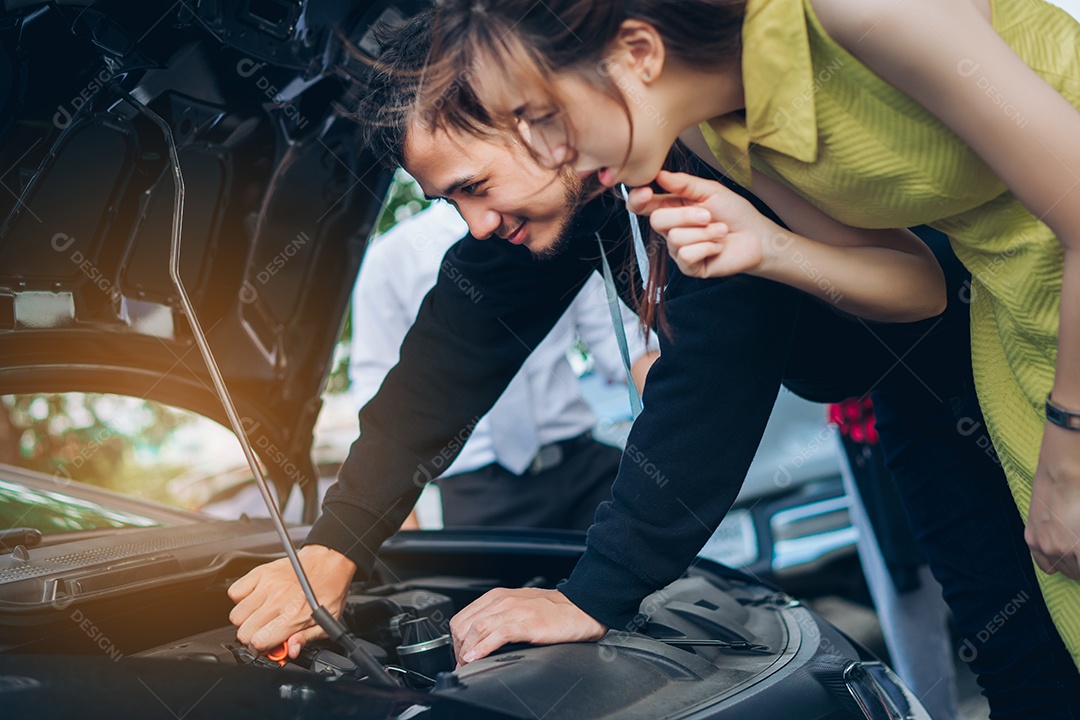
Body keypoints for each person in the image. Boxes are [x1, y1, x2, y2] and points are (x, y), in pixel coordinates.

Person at [227, 13, 1080, 718]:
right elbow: (454, 345)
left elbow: (717, 370)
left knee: (1032, 664)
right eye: (450, 201)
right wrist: (336, 544)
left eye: (474, 184)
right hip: (930, 375)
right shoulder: (590, 166)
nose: (475, 222)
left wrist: (594, 595)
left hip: (1021, 339)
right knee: (1019, 661)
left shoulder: (667, 135)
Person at [349, 199, 657, 530]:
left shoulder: (552, 227)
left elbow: (628, 343)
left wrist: (680, 435)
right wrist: (395, 533)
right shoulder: (389, 258)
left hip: (584, 471)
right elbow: (376, 386)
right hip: (477, 495)